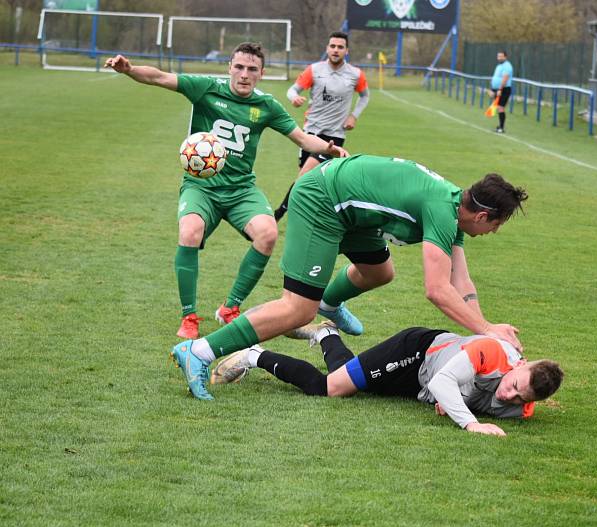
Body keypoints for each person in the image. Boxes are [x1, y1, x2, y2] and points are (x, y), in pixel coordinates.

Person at [170, 154, 528, 400]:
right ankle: (199, 352)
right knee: (297, 310)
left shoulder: (454, 209)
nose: (494, 232)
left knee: (379, 271)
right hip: (322, 201)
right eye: (497, 225)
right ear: (482, 217)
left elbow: (461, 282)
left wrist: (487, 328)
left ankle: (330, 300)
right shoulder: (441, 209)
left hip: (351, 213)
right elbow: (437, 289)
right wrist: (485, 330)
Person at [104, 43, 348, 339]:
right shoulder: (206, 88)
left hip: (241, 189)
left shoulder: (267, 105)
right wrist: (129, 70)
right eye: (239, 67)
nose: (244, 75)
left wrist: (330, 149)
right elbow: (159, 77)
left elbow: (300, 137)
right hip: (201, 187)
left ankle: (230, 307)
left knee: (268, 233)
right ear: (229, 67)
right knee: (189, 232)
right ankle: (189, 316)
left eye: (252, 69)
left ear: (262, 73)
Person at [210, 321, 564, 436]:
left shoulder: (522, 406)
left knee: (341, 378)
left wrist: (453, 401)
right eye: (513, 384)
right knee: (329, 388)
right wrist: (470, 423)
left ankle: (326, 334)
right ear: (521, 364)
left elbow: (457, 394)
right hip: (415, 353)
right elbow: (444, 384)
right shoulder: (490, 351)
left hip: (419, 384)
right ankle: (254, 356)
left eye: (520, 398)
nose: (509, 395)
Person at [273, 32, 370, 222]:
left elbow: (365, 95)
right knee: (312, 181)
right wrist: (294, 98)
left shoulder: (355, 74)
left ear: (346, 51)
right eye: (332, 46)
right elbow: (292, 89)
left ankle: (278, 214)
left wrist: (354, 116)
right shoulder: (314, 70)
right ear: (327, 48)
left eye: (340, 47)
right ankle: (319, 215)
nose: (335, 50)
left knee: (303, 177)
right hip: (310, 133)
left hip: (334, 136)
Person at [490, 50, 513, 133]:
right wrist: (492, 89)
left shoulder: (507, 66)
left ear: (505, 57)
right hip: (497, 89)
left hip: (504, 89)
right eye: (498, 56)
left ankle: (501, 128)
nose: (499, 58)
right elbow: (496, 77)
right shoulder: (499, 66)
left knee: (500, 107)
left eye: (501, 56)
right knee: (498, 107)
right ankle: (500, 126)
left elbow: (505, 78)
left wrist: (500, 89)